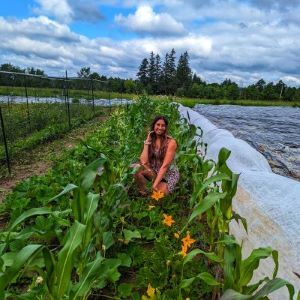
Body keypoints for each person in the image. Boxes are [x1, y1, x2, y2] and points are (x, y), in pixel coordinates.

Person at [134, 115, 180, 196]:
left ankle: (154, 187)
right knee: (136, 167)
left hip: (167, 175)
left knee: (159, 196)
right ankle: (144, 192)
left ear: (166, 128)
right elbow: (143, 161)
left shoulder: (171, 142)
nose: (160, 127)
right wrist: (147, 142)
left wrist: (155, 184)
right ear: (154, 126)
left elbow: (165, 166)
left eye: (163, 125)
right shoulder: (151, 139)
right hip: (154, 171)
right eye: (158, 125)